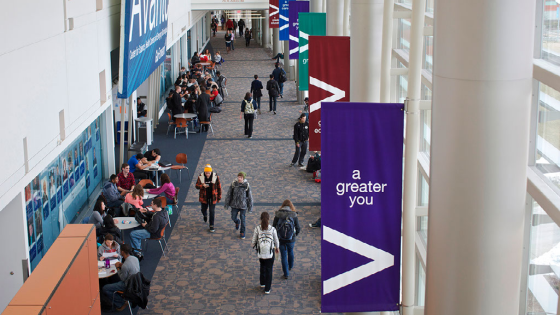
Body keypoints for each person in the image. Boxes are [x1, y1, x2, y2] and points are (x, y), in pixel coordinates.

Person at [101, 244, 140, 311]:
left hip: (128, 285)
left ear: (122, 252)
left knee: (105, 288)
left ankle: (121, 303)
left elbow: (122, 278)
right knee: (114, 281)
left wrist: (118, 268)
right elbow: (131, 268)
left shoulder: (125, 266)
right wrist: (122, 265)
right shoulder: (135, 258)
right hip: (137, 282)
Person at [251, 212, 280, 294]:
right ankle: (267, 288)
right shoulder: (272, 229)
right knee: (269, 269)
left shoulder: (257, 229)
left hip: (261, 253)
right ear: (268, 219)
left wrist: (255, 247)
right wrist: (277, 248)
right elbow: (276, 240)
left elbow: (253, 241)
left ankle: (262, 283)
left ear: (260, 219)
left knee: (262, 267)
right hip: (270, 253)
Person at [272, 200, 302, 279]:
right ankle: (290, 266)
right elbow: (298, 228)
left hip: (281, 239)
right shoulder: (293, 215)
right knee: (290, 251)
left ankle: (286, 274)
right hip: (291, 239)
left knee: (284, 256)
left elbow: (273, 227)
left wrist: (276, 238)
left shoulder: (278, 214)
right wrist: (294, 235)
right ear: (291, 206)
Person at [224, 172, 253, 239]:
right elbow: (229, 194)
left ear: (243, 178)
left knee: (243, 219)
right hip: (234, 205)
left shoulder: (246, 185)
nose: (239, 178)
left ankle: (242, 232)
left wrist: (250, 208)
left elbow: (250, 197)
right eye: (239, 177)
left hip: (243, 205)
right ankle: (237, 221)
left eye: (241, 177)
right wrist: (226, 204)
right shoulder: (234, 184)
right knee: (233, 217)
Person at [195, 164, 222, 233]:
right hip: (204, 197)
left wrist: (219, 197)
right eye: (206, 173)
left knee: (212, 211)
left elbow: (219, 187)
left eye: (209, 173)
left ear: (211, 172)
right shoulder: (201, 176)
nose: (207, 174)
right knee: (203, 209)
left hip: (213, 197)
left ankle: (211, 225)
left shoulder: (215, 176)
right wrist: (202, 185)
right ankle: (205, 214)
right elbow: (196, 186)